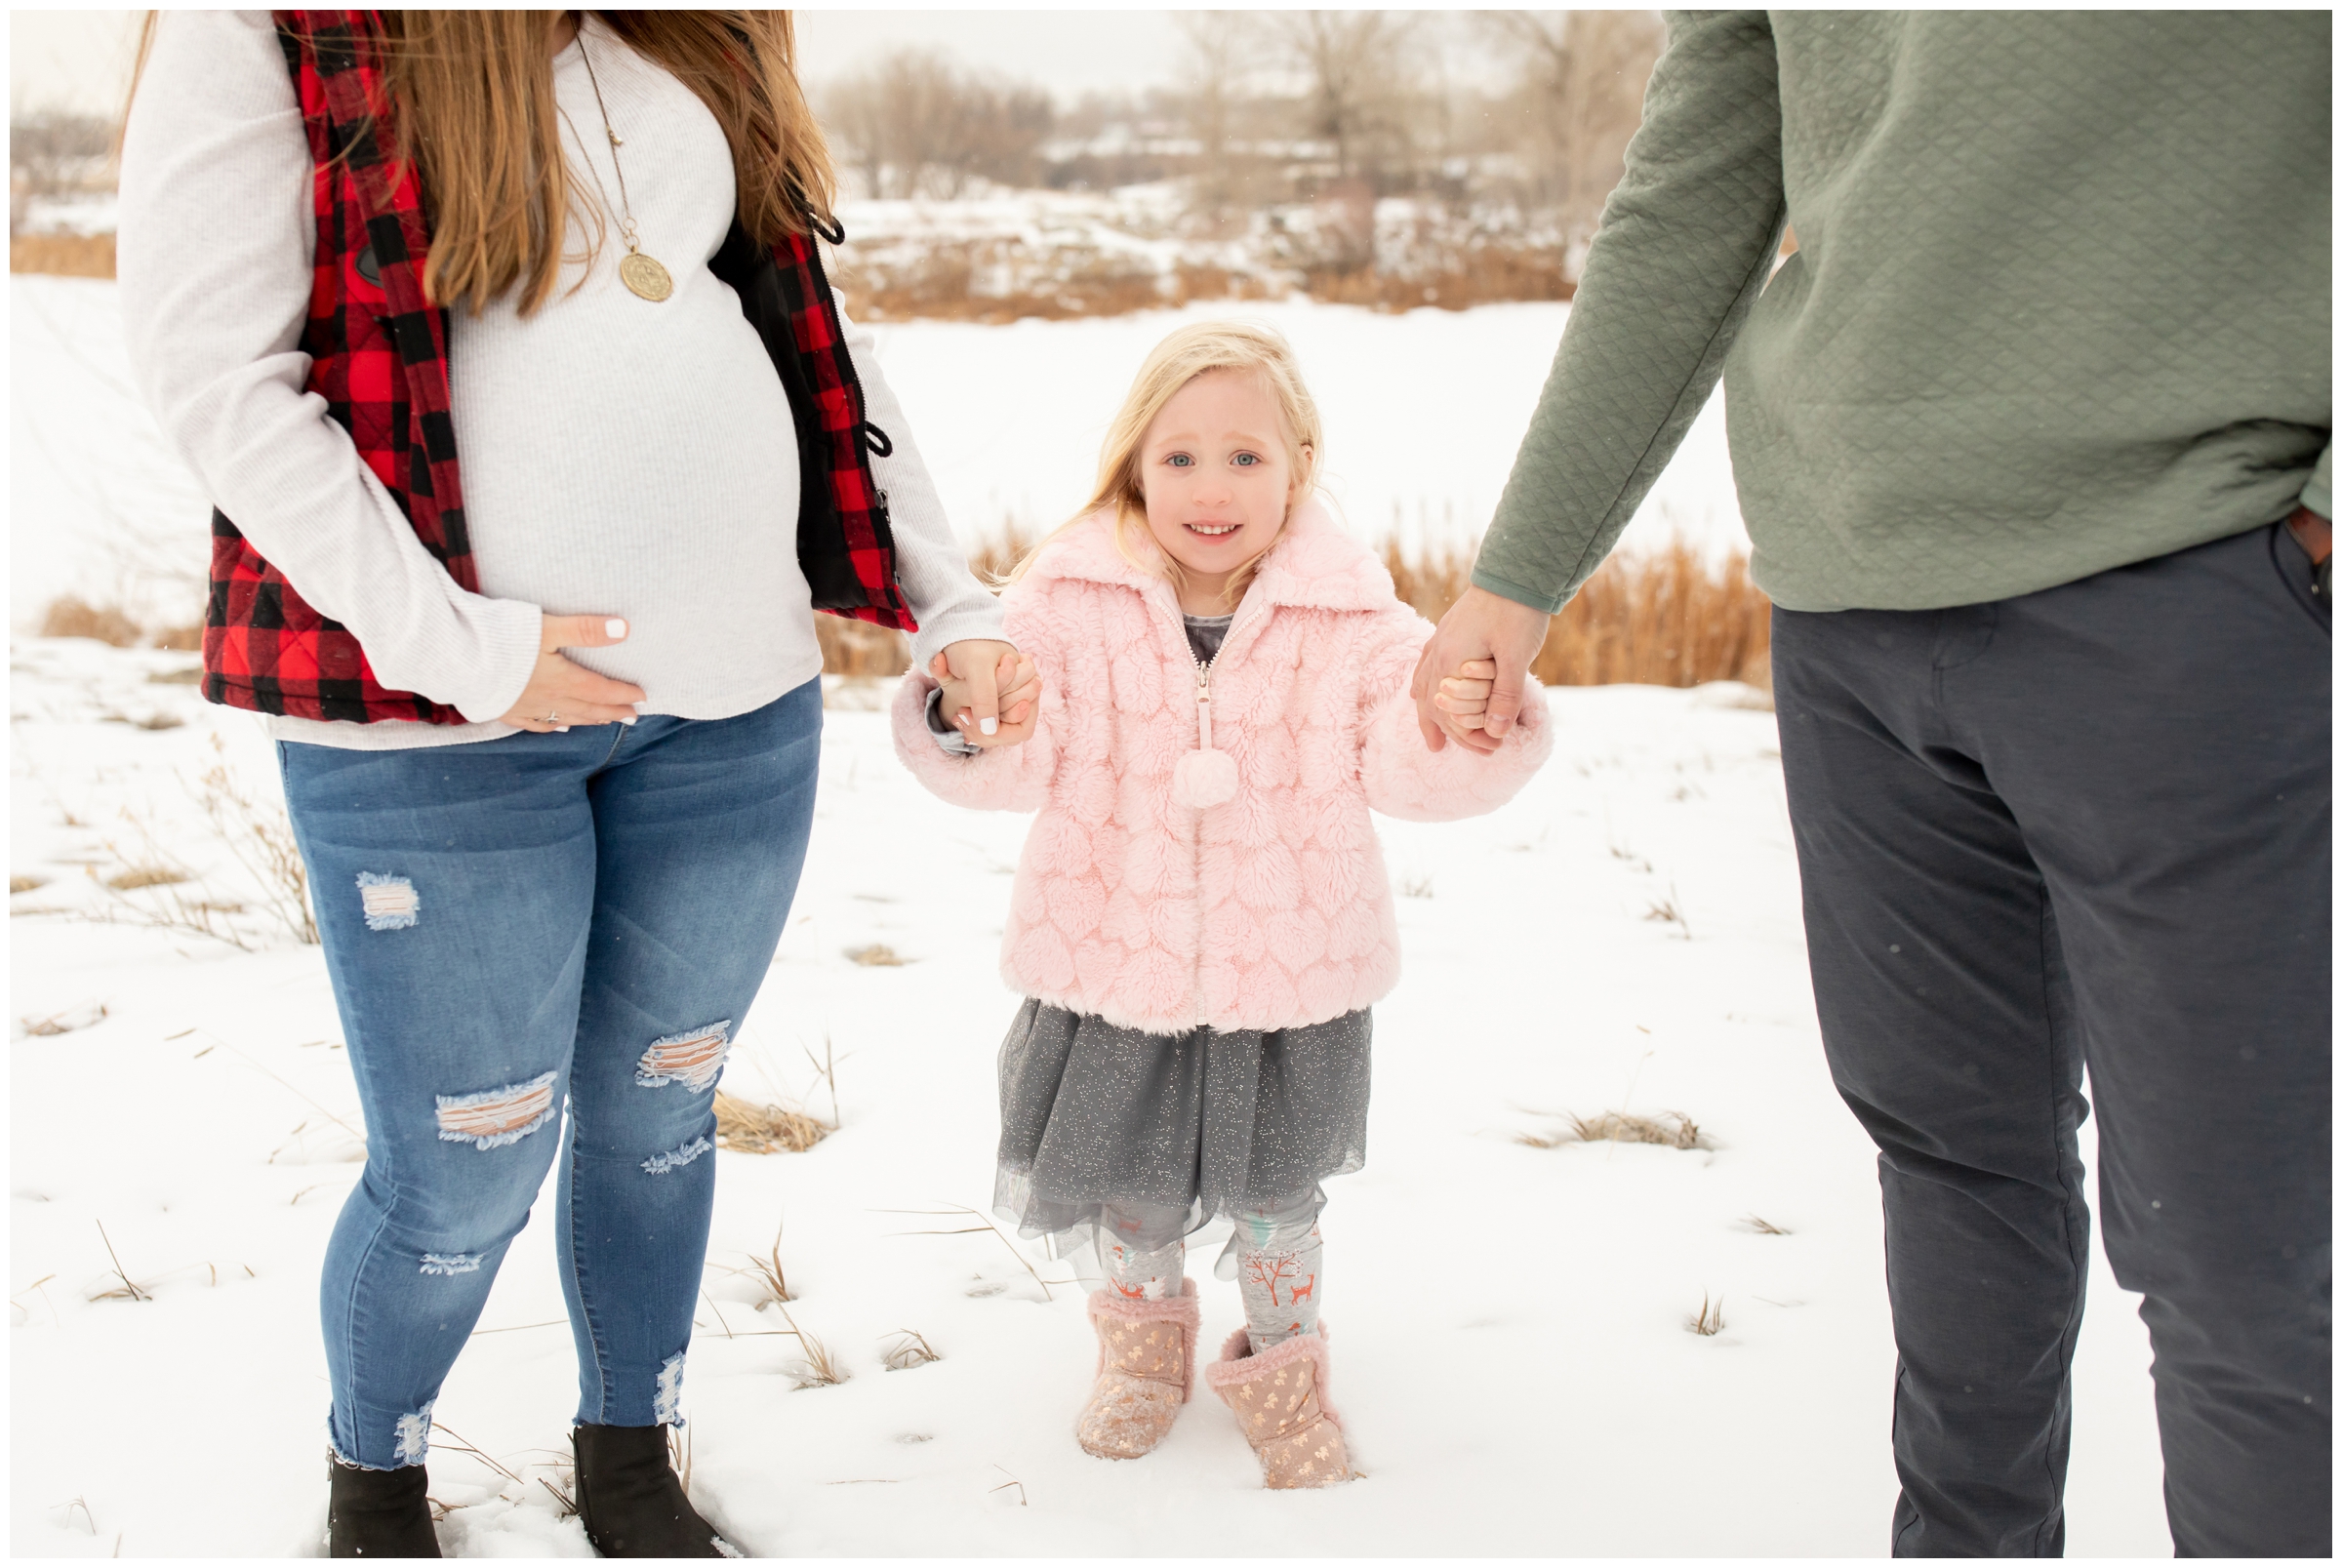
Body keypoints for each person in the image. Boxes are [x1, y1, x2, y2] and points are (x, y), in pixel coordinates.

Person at [118, 10, 1036, 1557]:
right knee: (466, 1162)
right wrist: (466, 648)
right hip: (436, 731)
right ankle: (380, 1482)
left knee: (661, 1112)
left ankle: (631, 1457)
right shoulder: (272, 19)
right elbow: (217, 377)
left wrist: (949, 596)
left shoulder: (691, 23)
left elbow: (810, 328)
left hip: (735, 707)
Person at [1417, 12, 2329, 1557]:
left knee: (2232, 1239)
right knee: (1960, 1166)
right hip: (1853, 609)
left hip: (2188, 589)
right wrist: (1519, 576)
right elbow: (1694, 194)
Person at [893, 321, 1551, 1488]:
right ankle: (1143, 1359)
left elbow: (1407, 754)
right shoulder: (1065, 601)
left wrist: (1457, 708)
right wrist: (969, 711)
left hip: (1285, 975)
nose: (1212, 488)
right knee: (1134, 1193)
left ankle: (1287, 1365)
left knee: (1278, 1200)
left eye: (1246, 457)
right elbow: (1011, 747)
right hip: (1114, 967)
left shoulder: (1350, 620)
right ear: (1135, 466)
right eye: (1180, 457)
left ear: (1299, 463)